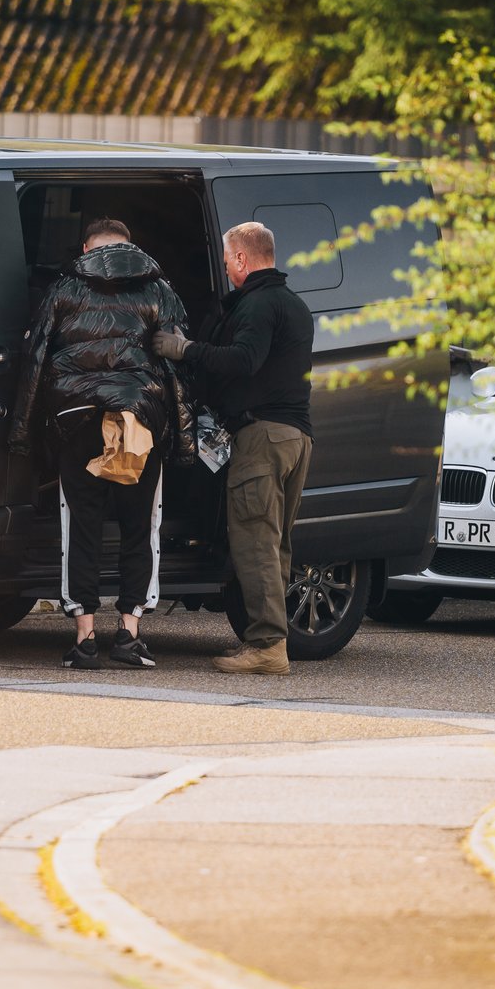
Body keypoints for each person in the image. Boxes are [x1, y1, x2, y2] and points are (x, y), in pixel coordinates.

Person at [9, 218, 190, 670]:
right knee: (140, 528)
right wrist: (184, 437)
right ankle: (129, 633)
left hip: (79, 422)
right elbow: (178, 366)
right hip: (139, 421)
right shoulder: (159, 290)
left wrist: (22, 434)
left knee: (81, 528)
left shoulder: (64, 288)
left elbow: (35, 358)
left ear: (88, 246)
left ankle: (85, 638)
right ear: (130, 247)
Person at [152, 222, 314, 676]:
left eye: (227, 260)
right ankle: (271, 639)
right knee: (276, 544)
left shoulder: (259, 305)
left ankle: (267, 646)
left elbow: (244, 360)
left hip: (262, 438)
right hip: (297, 438)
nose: (224, 268)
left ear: (242, 258)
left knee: (255, 544)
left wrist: (185, 349)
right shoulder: (295, 305)